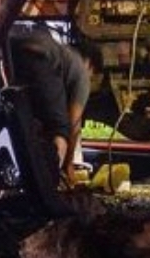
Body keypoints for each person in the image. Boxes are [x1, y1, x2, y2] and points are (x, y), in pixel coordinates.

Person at [7, 29, 103, 187]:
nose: (90, 79)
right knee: (59, 128)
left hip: (11, 52)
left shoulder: (62, 52)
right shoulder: (80, 70)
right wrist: (68, 165)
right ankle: (49, 184)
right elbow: (74, 124)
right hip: (39, 59)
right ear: (90, 64)